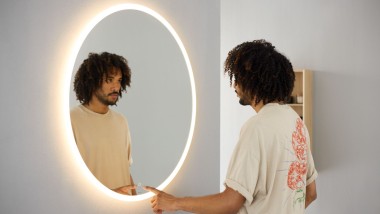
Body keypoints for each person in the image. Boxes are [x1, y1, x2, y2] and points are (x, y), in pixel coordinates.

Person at [145, 39, 317, 213]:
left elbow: (230, 202)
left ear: (253, 81)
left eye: (239, 77)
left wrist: (174, 203)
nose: (235, 84)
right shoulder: (296, 122)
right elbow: (310, 193)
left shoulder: (257, 128)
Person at [70, 52, 136, 195]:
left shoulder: (121, 121)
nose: (116, 87)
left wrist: (135, 203)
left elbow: (125, 171)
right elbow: (69, 182)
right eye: (109, 79)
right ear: (92, 81)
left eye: (119, 80)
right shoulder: (71, 120)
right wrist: (110, 195)